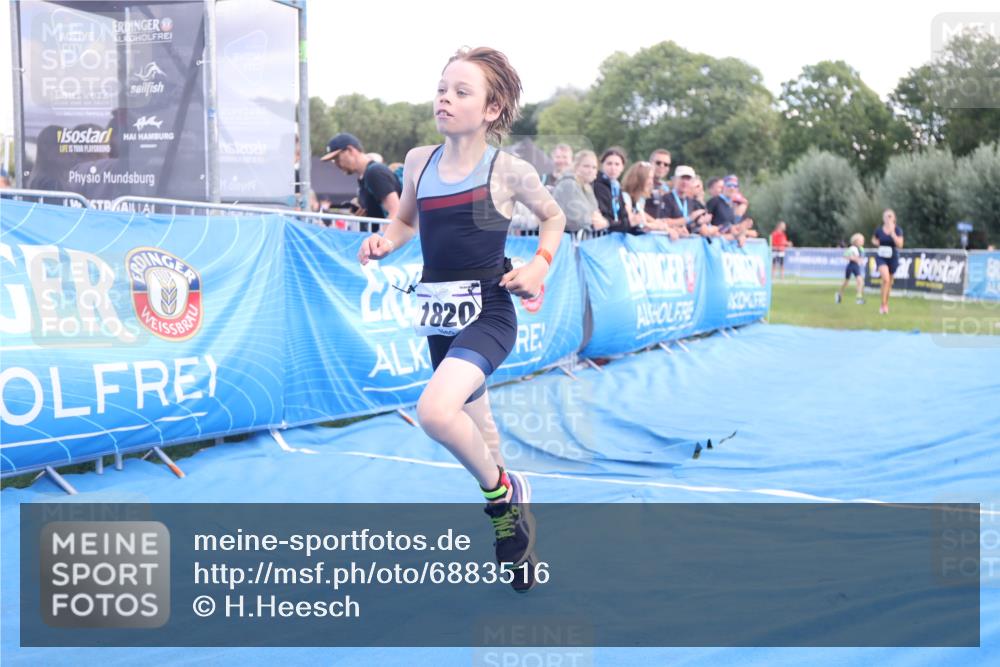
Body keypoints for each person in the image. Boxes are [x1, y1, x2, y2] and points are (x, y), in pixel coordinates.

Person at [357, 46, 565, 592]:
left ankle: (504, 493)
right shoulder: (418, 160)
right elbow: (405, 222)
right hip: (438, 314)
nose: (445, 97)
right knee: (482, 436)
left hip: (489, 311)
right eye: (442, 87)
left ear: (491, 109)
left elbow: (553, 215)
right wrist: (385, 241)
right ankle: (518, 536)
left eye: (461, 91)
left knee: (433, 412)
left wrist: (540, 265)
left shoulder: (507, 169)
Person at [321, 132, 401, 220]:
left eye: (337, 158)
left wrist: (382, 234)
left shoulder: (375, 172)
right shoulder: (365, 177)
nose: (336, 164)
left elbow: (395, 212)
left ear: (350, 150)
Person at [551, 150, 609, 232]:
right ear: (576, 167)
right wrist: (596, 220)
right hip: (563, 239)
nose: (591, 170)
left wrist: (599, 219)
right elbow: (578, 219)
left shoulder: (586, 186)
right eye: (586, 166)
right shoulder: (569, 184)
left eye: (594, 167)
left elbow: (595, 212)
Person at [654, 165, 716, 239]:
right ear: (674, 179)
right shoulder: (665, 198)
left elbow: (694, 227)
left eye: (688, 179)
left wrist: (699, 223)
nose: (685, 182)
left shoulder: (691, 202)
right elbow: (662, 221)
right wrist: (689, 219)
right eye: (682, 178)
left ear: (692, 182)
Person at [621, 162, 675, 236]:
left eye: (651, 178)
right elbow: (632, 221)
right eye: (648, 178)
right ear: (639, 179)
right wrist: (657, 226)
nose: (651, 182)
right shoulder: (625, 197)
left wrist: (664, 226)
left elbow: (643, 216)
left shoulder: (640, 199)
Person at [871, 208, 904, 315]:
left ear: (894, 218)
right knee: (885, 279)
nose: (888, 218)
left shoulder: (898, 230)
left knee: (889, 282)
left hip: (893, 256)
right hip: (881, 256)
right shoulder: (879, 230)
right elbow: (874, 239)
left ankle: (885, 303)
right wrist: (876, 242)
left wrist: (893, 233)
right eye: (886, 216)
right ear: (883, 218)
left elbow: (900, 245)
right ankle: (883, 304)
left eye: (890, 216)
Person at [593, 147, 633, 233]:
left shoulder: (617, 187)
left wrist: (617, 223)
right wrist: (620, 223)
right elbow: (605, 218)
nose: (613, 168)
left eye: (617, 164)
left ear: (622, 167)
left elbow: (625, 218)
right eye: (609, 163)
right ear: (602, 165)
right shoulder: (597, 186)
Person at [836, 233, 866, 304]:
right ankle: (839, 294)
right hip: (851, 266)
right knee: (846, 281)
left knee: (860, 281)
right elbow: (845, 256)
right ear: (856, 241)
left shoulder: (861, 249)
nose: (862, 242)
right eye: (861, 240)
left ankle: (859, 298)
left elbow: (861, 259)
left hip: (856, 266)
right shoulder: (852, 248)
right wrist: (853, 258)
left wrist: (858, 259)